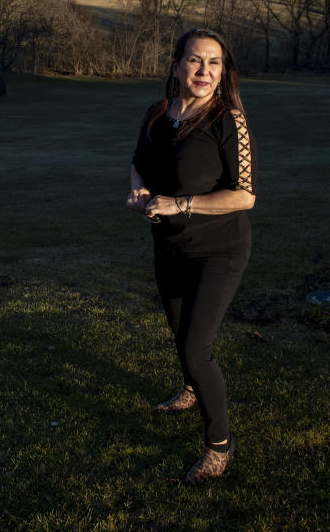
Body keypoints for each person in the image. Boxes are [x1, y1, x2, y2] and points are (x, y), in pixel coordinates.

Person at [127, 28, 256, 484]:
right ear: (177, 65)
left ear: (224, 72)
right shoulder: (159, 113)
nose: (204, 71)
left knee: (196, 348)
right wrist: (138, 189)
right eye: (195, 60)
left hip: (219, 249)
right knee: (180, 333)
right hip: (169, 246)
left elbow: (245, 197)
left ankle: (219, 444)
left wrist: (181, 204)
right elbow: (139, 161)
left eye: (214, 63)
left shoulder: (229, 120)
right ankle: (188, 389)